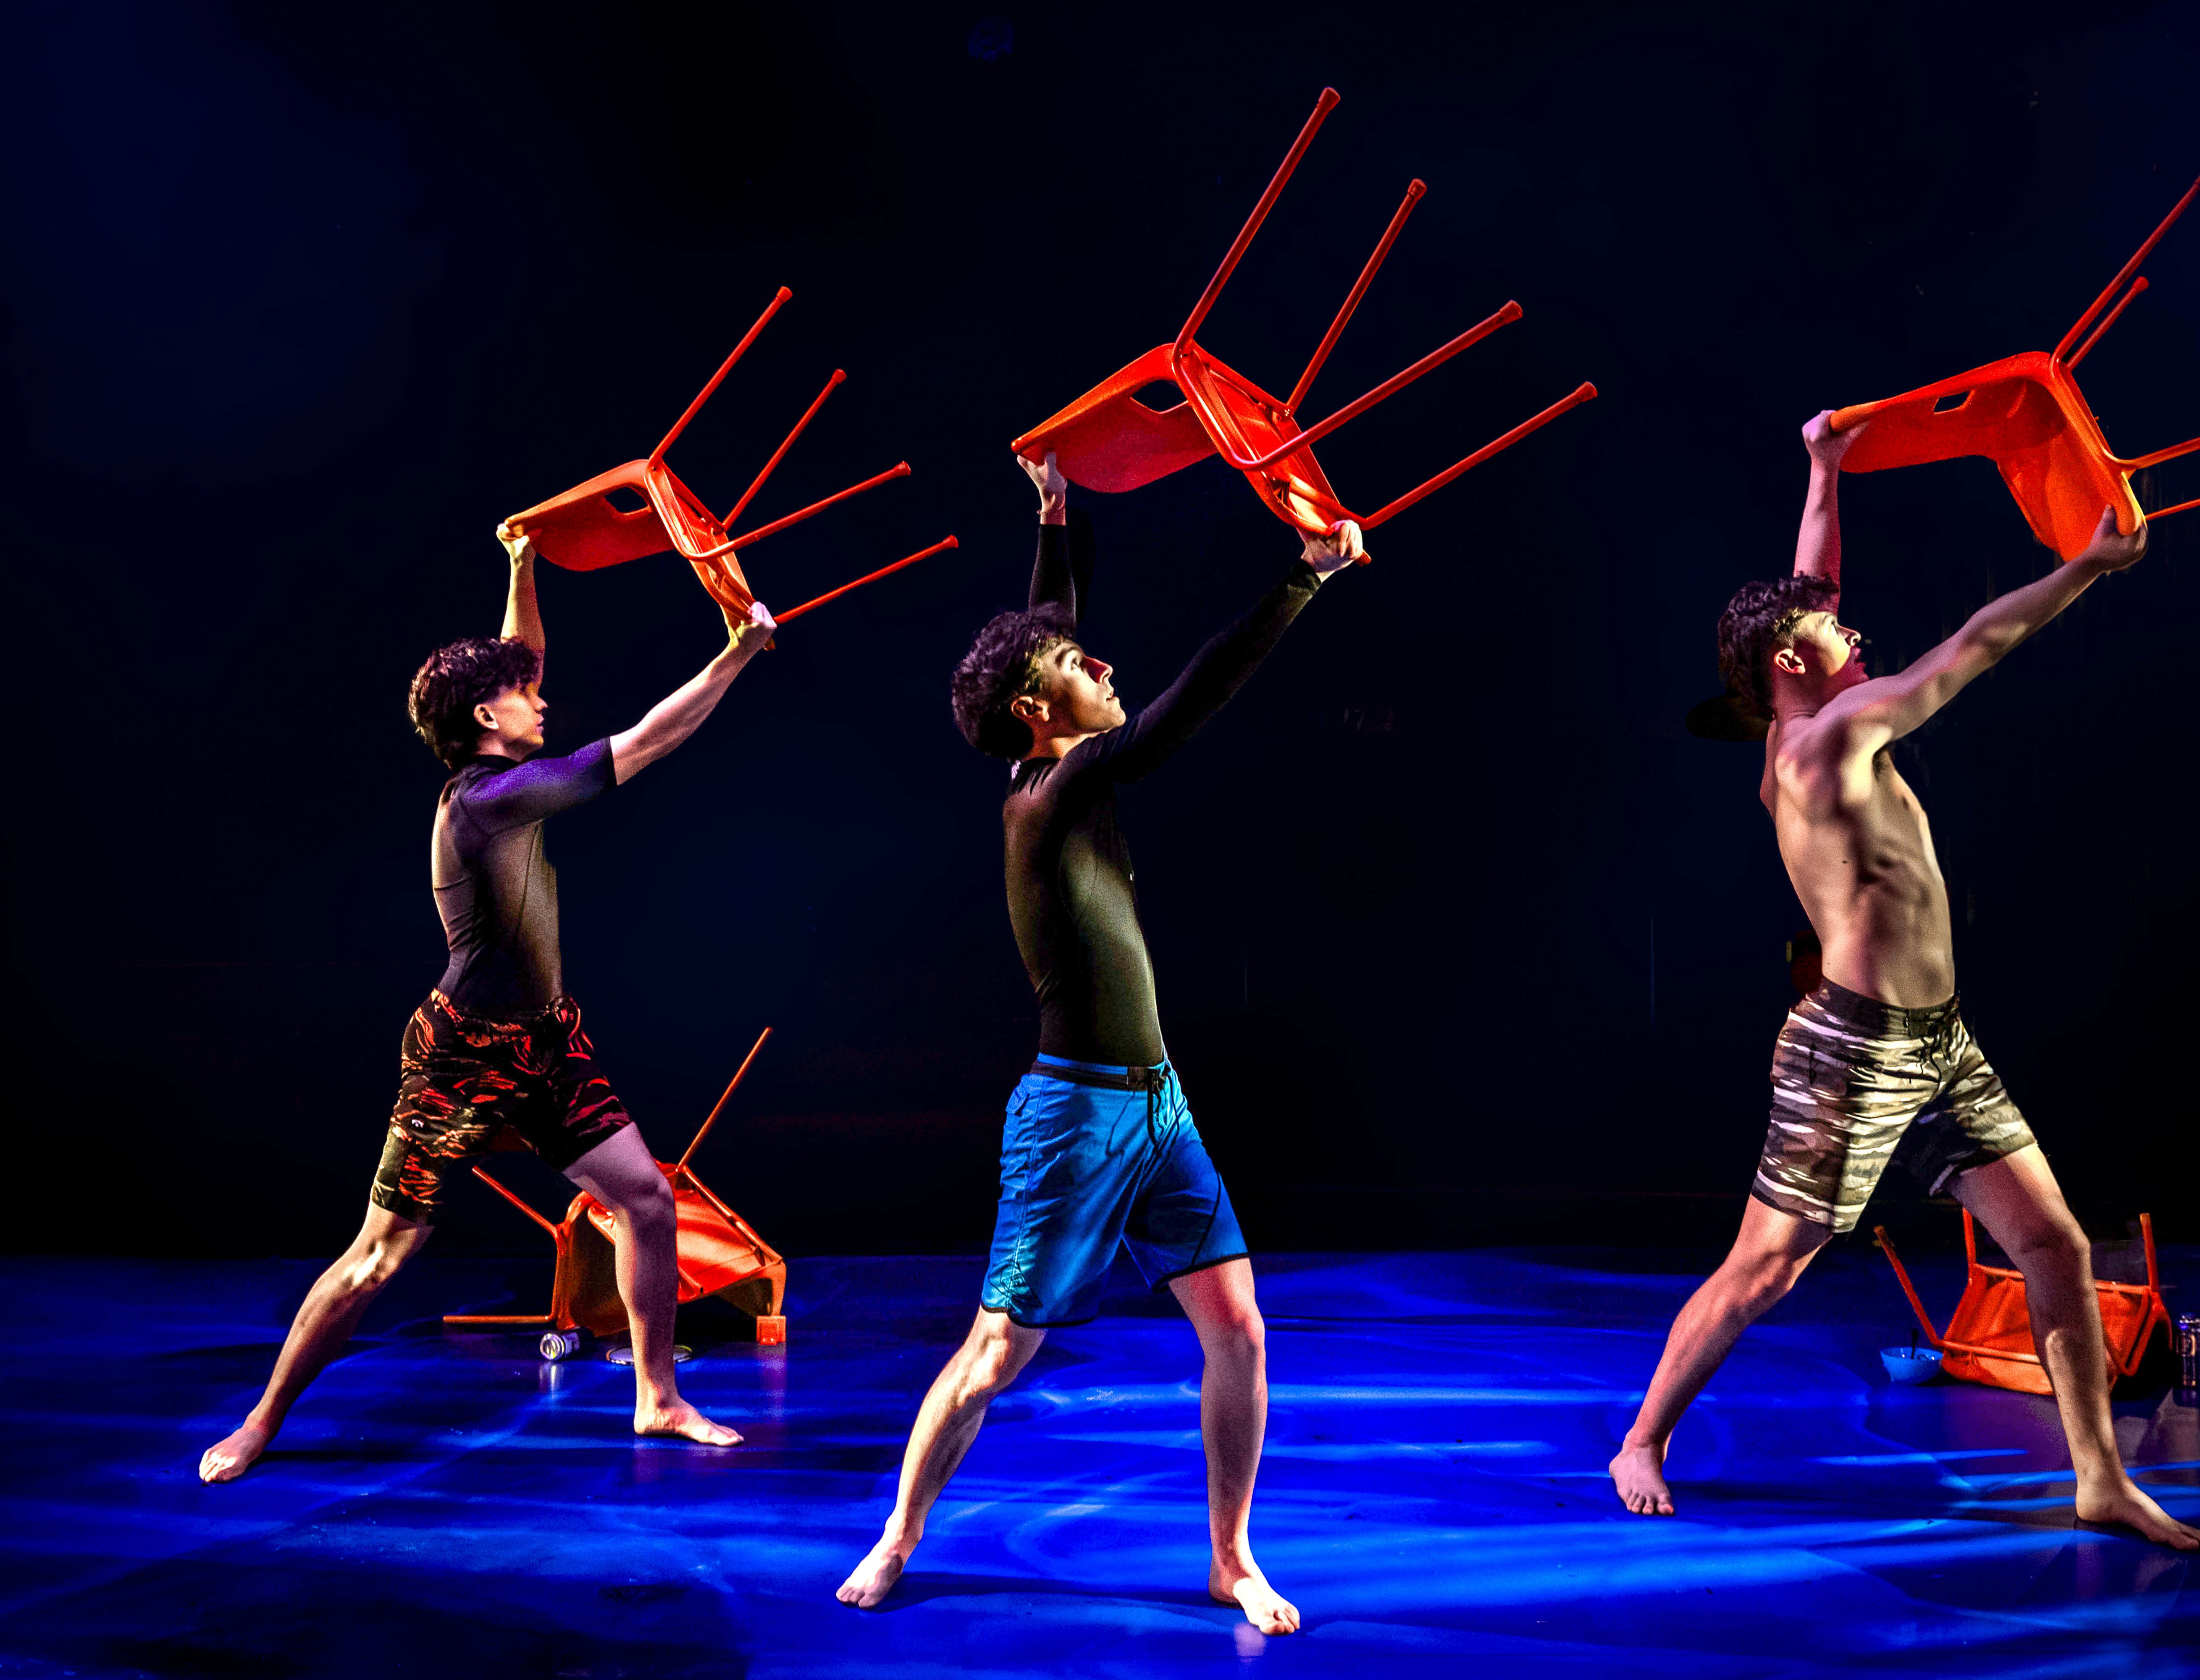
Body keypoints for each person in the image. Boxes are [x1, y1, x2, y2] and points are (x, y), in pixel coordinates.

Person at [1608, 414, 2200, 1551]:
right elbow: (1973, 647)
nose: (1854, 631)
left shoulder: (1803, 719)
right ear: (1792, 665)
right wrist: (2086, 565)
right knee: (1765, 1270)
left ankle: (2099, 1480)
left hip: (1939, 1041)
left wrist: (1823, 468)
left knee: (2055, 1245)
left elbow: (1814, 588)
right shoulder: (1827, 744)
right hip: (1853, 1050)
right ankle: (1642, 1439)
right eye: (1830, 634)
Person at [836, 453, 1364, 1633]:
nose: (1104, 664)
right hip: (1073, 1117)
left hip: (1159, 1106)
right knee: (996, 1352)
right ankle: (899, 1534)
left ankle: (1230, 1557)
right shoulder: (1051, 794)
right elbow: (1194, 697)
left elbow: (1050, 625)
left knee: (1239, 1327)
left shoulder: (1053, 759)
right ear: (1039, 712)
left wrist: (1055, 508)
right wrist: (1306, 577)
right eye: (1081, 668)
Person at [199, 522, 775, 1483]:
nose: (541, 695)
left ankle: (658, 1395)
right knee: (380, 1256)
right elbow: (648, 740)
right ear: (483, 718)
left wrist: (523, 561)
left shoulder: (501, 773)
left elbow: (521, 656)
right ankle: (261, 1418)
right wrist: (741, 649)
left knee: (645, 1197)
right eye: (523, 694)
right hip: (461, 1058)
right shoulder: (485, 802)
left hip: (547, 1042)